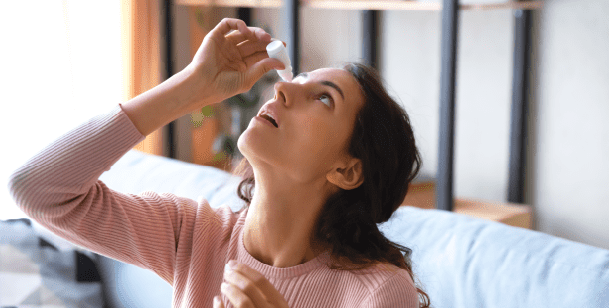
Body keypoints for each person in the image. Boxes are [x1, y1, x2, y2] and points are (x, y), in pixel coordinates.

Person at [9, 18, 429, 308]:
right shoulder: (195, 235)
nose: (281, 93)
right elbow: (38, 191)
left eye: (323, 98)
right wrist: (191, 87)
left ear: (347, 169)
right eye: (294, 80)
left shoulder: (378, 293)